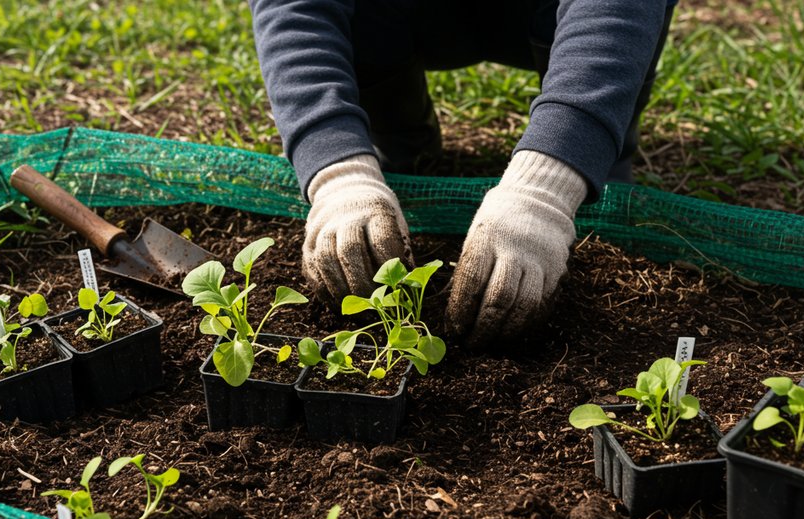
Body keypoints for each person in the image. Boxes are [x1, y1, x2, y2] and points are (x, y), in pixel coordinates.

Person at [247, 0, 676, 345]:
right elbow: (294, 11)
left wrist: (549, 182)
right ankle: (399, 136)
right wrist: (337, 170)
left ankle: (598, 145)